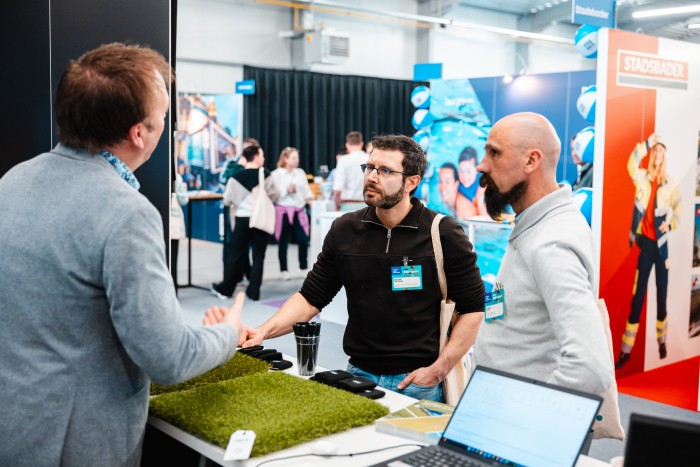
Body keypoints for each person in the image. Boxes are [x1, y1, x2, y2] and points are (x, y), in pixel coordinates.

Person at [0, 43, 242, 466]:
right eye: (163, 116)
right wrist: (228, 334)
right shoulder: (125, 213)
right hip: (77, 444)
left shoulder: (12, 182)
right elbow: (169, 358)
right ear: (139, 133)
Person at [235, 134, 485, 402]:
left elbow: (473, 309)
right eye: (370, 168)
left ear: (412, 182)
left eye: (385, 171)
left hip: (420, 382)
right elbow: (310, 297)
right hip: (358, 375)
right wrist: (262, 331)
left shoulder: (443, 233)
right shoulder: (345, 230)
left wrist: (438, 371)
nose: (372, 177)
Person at [473, 112, 614, 405]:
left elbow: (590, 367)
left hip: (515, 420)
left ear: (531, 161)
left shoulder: (552, 241)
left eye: (494, 153)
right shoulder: (541, 225)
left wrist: (529, 416)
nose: (481, 165)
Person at [615, 134, 682, 368]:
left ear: (665, 156)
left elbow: (679, 208)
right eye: (655, 151)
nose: (657, 154)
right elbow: (630, 163)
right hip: (645, 247)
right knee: (637, 298)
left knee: (661, 297)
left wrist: (670, 224)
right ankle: (625, 351)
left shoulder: (670, 183)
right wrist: (647, 144)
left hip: (662, 250)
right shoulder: (642, 177)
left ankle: (662, 342)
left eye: (660, 151)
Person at [212, 144, 280, 301]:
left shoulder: (235, 177)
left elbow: (227, 200)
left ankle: (226, 290)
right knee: (258, 257)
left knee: (235, 255)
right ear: (255, 157)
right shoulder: (265, 174)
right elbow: (276, 195)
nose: (263, 158)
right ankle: (254, 292)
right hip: (260, 219)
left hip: (242, 219)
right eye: (261, 155)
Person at [219, 137, 259, 286]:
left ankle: (247, 276)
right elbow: (224, 180)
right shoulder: (233, 164)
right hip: (234, 211)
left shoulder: (258, 170)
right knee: (233, 246)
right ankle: (232, 278)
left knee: (248, 248)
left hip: (252, 213)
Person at [271, 147, 313, 280]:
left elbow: (306, 190)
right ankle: (284, 269)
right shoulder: (276, 174)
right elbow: (273, 194)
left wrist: (310, 200)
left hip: (298, 209)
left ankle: (303, 267)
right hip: (283, 210)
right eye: (294, 158)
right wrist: (286, 190)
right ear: (285, 159)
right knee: (283, 241)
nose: (297, 160)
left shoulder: (300, 173)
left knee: (303, 239)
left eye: (297, 157)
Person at [333, 130, 369, 211]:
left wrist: (337, 207)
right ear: (361, 144)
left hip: (348, 205)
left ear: (347, 145)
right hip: (367, 206)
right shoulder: (369, 158)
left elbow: (337, 190)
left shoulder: (343, 160)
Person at [455, 146, 487, 218]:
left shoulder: (483, 182)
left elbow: (484, 214)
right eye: (461, 171)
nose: (465, 177)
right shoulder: (456, 183)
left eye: (468, 171)